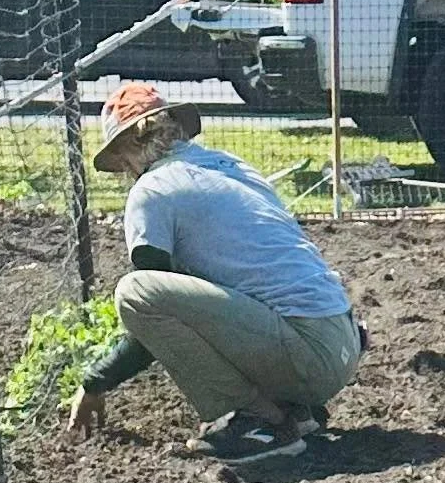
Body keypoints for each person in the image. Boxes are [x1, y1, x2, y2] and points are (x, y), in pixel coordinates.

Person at [67, 83, 364, 463]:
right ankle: (291, 409)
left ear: (128, 148)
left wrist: (97, 380)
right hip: (340, 341)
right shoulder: (231, 165)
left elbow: (151, 313)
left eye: (120, 159)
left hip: (307, 353)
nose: (122, 171)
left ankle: (257, 421)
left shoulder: (152, 189)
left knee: (135, 293)